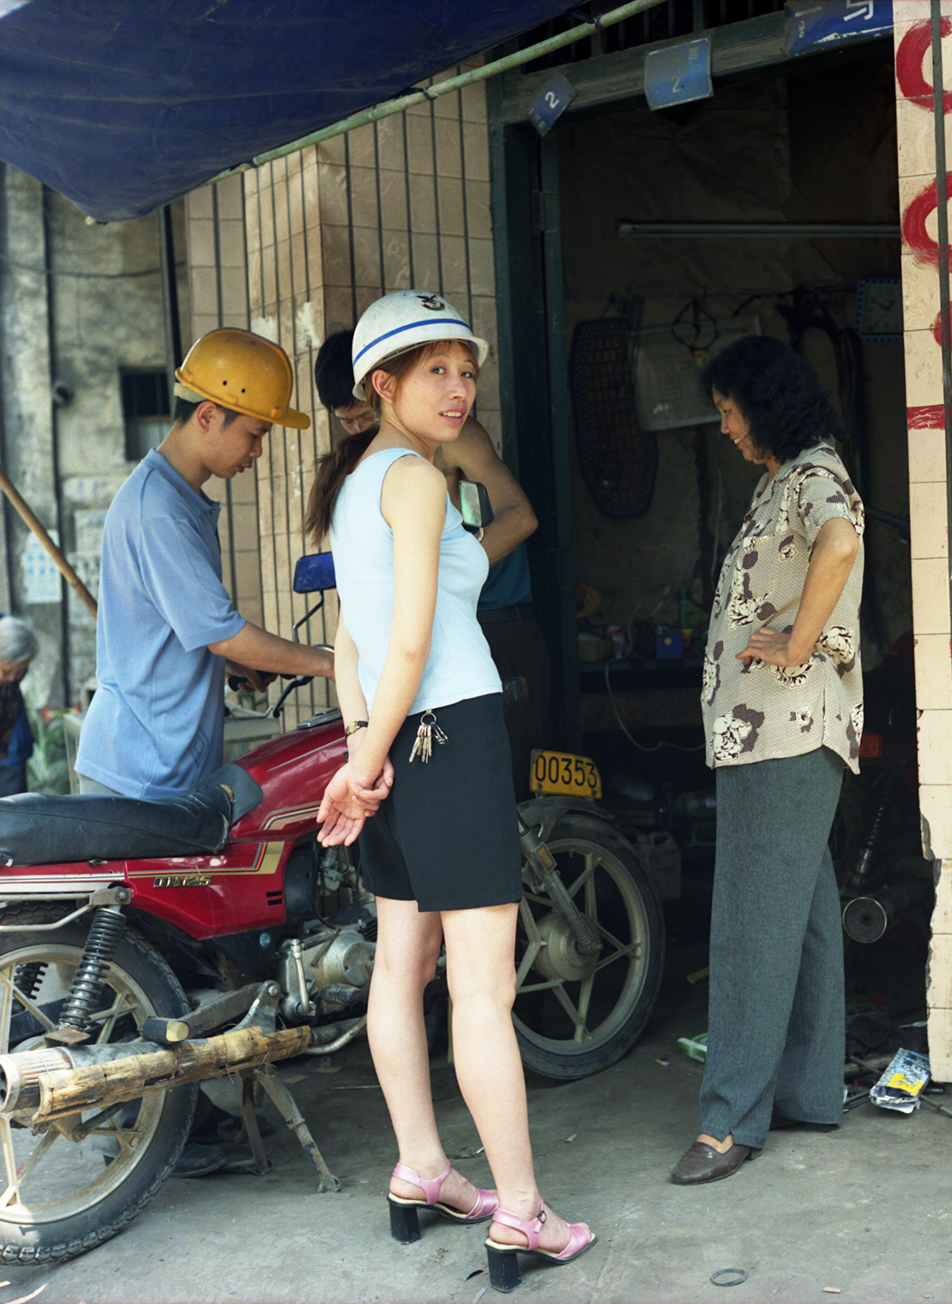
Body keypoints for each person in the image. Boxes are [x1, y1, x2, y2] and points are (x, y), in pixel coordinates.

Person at [305, 290, 594, 1289]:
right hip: (451, 732)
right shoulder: (419, 483)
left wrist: (364, 747)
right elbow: (410, 640)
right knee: (479, 987)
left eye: (465, 370)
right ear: (382, 384)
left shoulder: (357, 485)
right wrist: (363, 763)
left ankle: (422, 1167)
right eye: (435, 370)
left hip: (395, 741)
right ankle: (521, 1211)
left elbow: (349, 640)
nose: (458, 387)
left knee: (401, 966)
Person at [669, 335, 865, 1187]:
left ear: (766, 404)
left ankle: (727, 1123)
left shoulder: (814, 475)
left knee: (750, 923)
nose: (723, 427)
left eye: (728, 411)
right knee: (805, 916)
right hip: (773, 734)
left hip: (781, 732)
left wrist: (797, 642)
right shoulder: (786, 476)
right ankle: (806, 1094)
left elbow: (840, 544)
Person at [75, 328, 334, 802]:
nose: (257, 452)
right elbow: (223, 633)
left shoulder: (177, 497)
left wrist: (233, 662)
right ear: (208, 415)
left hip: (161, 763)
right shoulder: (159, 511)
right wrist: (333, 665)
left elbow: (184, 628)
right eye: (255, 434)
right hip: (139, 774)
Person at [317, 328, 548, 800]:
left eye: (364, 415)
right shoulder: (363, 473)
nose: (360, 429)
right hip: (423, 647)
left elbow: (521, 517)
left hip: (493, 621)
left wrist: (433, 574)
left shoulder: (448, 441)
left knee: (507, 795)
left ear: (384, 389)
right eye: (347, 421)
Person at [0, 616, 37, 797]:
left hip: (10, 752)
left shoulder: (14, 636)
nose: (12, 678)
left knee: (12, 808)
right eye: (6, 671)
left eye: (19, 672)